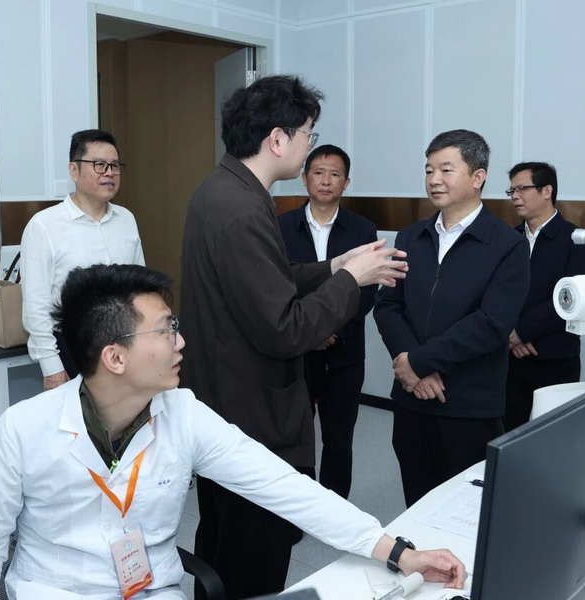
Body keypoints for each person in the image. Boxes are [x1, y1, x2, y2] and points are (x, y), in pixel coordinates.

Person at [0, 264, 465, 600]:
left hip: (152, 592)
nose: (181, 342)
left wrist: (396, 550)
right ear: (115, 358)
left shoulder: (183, 413)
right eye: (166, 330)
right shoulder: (23, 430)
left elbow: (283, 486)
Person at [180, 75, 408, 598]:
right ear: (278, 140)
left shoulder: (224, 189)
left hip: (222, 400)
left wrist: (334, 266)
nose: (310, 145)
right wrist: (353, 280)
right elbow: (284, 327)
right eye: (308, 134)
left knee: (222, 542)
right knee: (252, 558)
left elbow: (266, 279)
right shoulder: (242, 208)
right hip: (249, 413)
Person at [373, 129, 530, 507]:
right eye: (429, 170)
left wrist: (419, 362)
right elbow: (388, 306)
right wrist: (409, 364)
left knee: (461, 512)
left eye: (446, 169)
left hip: (467, 406)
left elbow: (491, 324)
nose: (434, 179)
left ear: (478, 177)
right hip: (411, 399)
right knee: (415, 502)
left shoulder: (507, 244)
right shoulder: (410, 237)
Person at [277, 144, 377, 499]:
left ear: (346, 183)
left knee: (340, 436)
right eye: (318, 173)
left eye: (335, 174)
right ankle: (298, 507)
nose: (325, 180)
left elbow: (368, 290)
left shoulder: (362, 229)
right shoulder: (280, 227)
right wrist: (309, 329)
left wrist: (332, 329)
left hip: (344, 351)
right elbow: (277, 285)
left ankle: (335, 507)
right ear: (305, 179)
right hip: (295, 349)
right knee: (295, 435)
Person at [21, 129, 144, 391]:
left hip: (124, 341)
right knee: (82, 417)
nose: (109, 173)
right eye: (99, 164)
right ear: (74, 170)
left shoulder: (126, 219)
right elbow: (36, 306)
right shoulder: (44, 226)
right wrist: (52, 367)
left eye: (114, 166)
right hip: (73, 345)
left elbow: (139, 288)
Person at [503, 162, 585, 431]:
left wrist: (521, 331)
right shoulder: (508, 238)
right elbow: (496, 293)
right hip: (509, 356)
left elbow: (569, 300)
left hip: (555, 355)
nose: (515, 196)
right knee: (507, 434)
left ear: (546, 191)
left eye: (522, 189)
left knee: (554, 434)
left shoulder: (576, 239)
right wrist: (510, 335)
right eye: (511, 191)